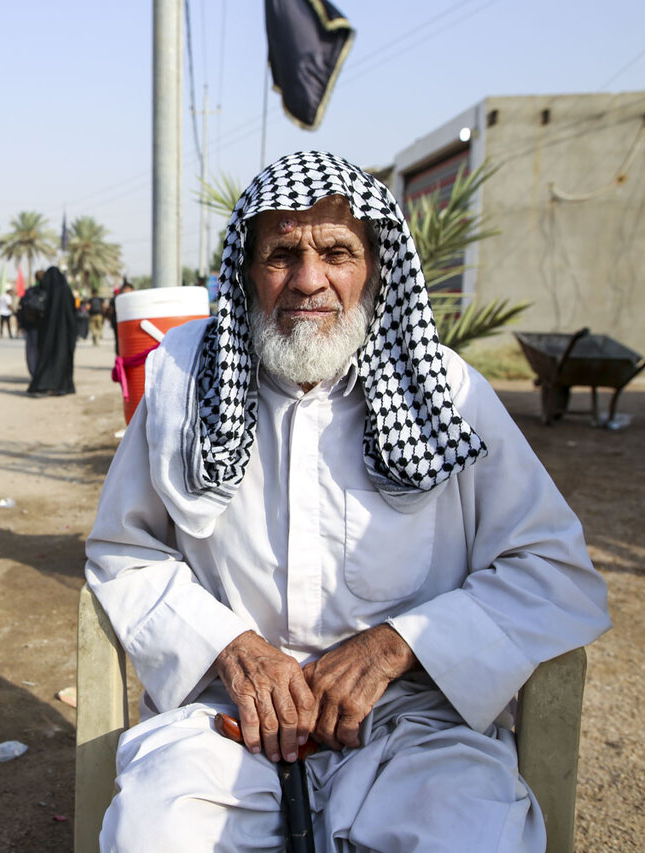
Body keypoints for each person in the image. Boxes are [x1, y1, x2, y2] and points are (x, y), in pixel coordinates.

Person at [84, 151, 610, 851]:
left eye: (337, 251)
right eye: (281, 255)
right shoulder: (183, 383)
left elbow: (554, 572)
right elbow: (126, 550)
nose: (309, 279)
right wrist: (231, 649)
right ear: (247, 272)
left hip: (411, 725)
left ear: (374, 270)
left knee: (473, 834)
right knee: (159, 833)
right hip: (226, 720)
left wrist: (401, 645)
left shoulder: (448, 396)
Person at [26, 267, 78, 396]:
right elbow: (73, 314)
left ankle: (43, 385)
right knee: (63, 360)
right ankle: (63, 387)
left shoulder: (45, 292)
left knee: (46, 358)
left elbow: (36, 309)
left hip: (48, 334)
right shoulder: (67, 292)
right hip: (65, 336)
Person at [107, 279, 134, 355]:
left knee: (119, 341)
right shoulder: (123, 298)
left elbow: (111, 311)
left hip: (118, 322)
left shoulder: (115, 299)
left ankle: (119, 357)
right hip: (118, 323)